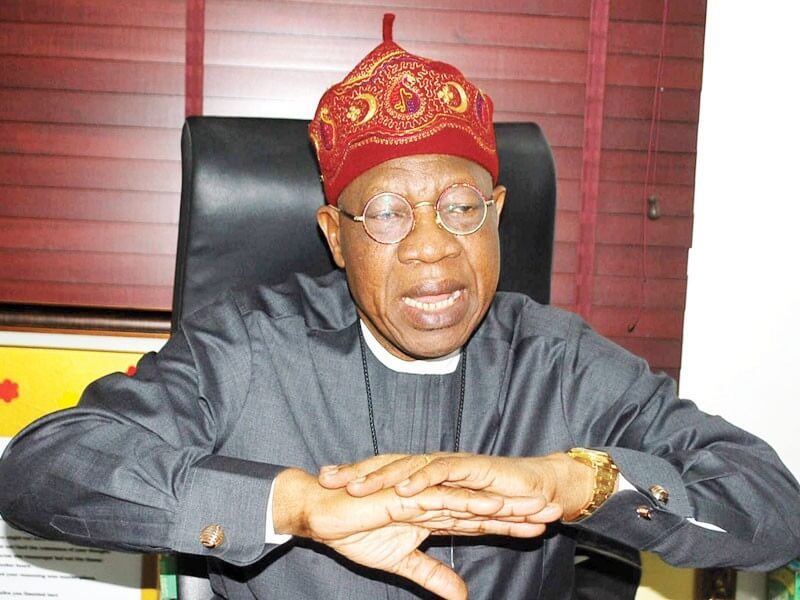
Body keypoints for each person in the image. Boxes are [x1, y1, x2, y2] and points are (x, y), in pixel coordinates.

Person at [1, 13, 799, 600]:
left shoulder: (561, 362)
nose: (431, 247)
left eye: (461, 208)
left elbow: (773, 506)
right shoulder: (246, 347)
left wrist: (579, 484)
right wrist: (295, 505)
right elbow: (46, 466)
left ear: (497, 213)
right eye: (386, 214)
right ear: (335, 236)